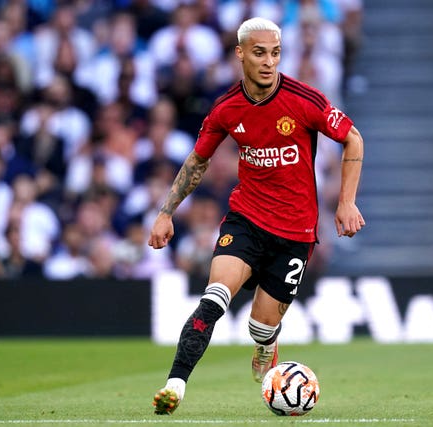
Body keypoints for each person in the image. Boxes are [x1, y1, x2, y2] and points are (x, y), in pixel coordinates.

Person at [146, 17, 365, 415]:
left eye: (276, 53)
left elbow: (353, 137)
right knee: (214, 299)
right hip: (246, 220)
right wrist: (166, 212)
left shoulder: (303, 100)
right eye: (260, 53)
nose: (268, 62)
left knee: (259, 327)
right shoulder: (227, 108)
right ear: (241, 53)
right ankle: (174, 385)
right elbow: (198, 161)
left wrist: (346, 202)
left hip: (297, 233)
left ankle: (266, 344)